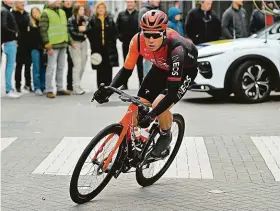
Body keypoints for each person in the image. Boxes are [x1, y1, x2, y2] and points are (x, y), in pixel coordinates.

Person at [93, 10, 198, 159]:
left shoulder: (176, 48)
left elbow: (172, 94)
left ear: (164, 33)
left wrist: (151, 115)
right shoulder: (137, 41)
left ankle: (165, 135)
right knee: (137, 105)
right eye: (147, 34)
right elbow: (126, 71)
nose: (151, 39)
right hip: (160, 67)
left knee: (158, 105)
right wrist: (108, 90)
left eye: (156, 35)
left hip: (183, 71)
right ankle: (134, 144)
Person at [40, 0, 74, 98]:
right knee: (50, 68)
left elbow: (64, 28)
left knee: (61, 67)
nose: (60, 2)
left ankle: (60, 88)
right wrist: (47, 45)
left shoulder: (62, 12)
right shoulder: (46, 13)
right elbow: (43, 31)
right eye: (58, 0)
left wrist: (70, 42)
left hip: (63, 43)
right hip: (52, 45)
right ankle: (49, 89)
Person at [88, 1, 119, 88]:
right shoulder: (92, 20)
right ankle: (100, 90)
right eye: (99, 8)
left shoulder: (109, 19)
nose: (101, 9)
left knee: (108, 69)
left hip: (108, 48)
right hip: (98, 49)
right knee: (100, 70)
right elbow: (89, 33)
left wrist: (112, 42)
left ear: (105, 9)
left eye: (102, 8)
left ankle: (108, 89)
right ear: (96, 9)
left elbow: (115, 32)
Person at [116, 0, 143, 90]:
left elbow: (143, 28)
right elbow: (117, 27)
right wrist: (120, 37)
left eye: (131, 2)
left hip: (138, 44)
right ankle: (125, 84)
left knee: (139, 65)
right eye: (128, 2)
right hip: (126, 43)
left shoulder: (139, 14)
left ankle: (141, 84)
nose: (129, 4)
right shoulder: (121, 14)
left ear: (134, 3)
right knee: (126, 64)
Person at [68, 4, 91, 95]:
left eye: (83, 10)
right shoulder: (71, 19)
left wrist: (85, 30)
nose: (82, 11)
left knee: (83, 64)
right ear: (76, 10)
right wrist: (82, 33)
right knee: (77, 65)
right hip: (75, 43)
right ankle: (75, 87)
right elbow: (72, 32)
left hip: (84, 43)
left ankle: (78, 84)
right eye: (80, 10)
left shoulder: (85, 19)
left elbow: (89, 29)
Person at [1, 0, 20, 98]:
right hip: (9, 42)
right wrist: (14, 33)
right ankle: (9, 90)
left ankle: (9, 89)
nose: (12, 1)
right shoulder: (4, 11)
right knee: (10, 66)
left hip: (8, 41)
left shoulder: (6, 10)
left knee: (10, 66)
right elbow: (3, 26)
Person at [12, 0, 33, 93]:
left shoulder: (26, 14)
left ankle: (28, 84)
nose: (22, 4)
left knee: (28, 64)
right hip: (19, 42)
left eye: (23, 3)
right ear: (16, 5)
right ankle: (17, 85)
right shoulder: (13, 15)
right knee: (19, 64)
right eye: (20, 3)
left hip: (28, 42)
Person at [29, 7, 46, 96]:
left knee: (43, 68)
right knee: (36, 68)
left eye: (37, 11)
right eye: (33, 12)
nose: (35, 13)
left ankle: (44, 87)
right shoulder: (31, 25)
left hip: (43, 49)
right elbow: (31, 39)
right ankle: (37, 87)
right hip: (35, 49)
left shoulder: (43, 23)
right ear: (31, 14)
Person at [62, 0, 74, 91]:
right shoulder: (61, 11)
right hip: (62, 40)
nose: (68, 2)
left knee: (72, 63)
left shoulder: (74, 10)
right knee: (60, 65)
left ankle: (70, 85)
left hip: (72, 41)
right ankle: (63, 86)